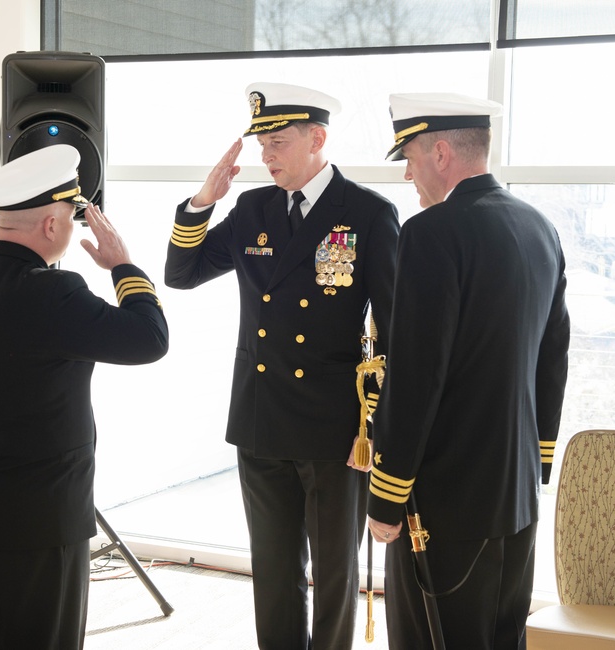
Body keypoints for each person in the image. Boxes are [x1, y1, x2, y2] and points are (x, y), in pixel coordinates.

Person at [165, 81, 400, 649]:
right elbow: (181, 273)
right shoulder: (252, 209)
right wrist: (203, 200)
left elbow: (394, 334)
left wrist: (377, 431)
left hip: (334, 427)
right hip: (263, 417)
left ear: (318, 138)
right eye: (262, 143)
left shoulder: (367, 213)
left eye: (279, 142)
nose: (266, 155)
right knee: (272, 572)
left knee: (335, 575)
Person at [0, 143, 169, 650]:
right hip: (36, 524)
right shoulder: (55, 294)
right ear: (52, 226)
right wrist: (123, 266)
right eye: (71, 219)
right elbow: (150, 339)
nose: (73, 231)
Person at [366, 93, 571, 649]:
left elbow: (415, 377)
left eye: (407, 156)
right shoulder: (539, 229)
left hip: (444, 500)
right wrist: (540, 456)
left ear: (439, 152)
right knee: (503, 638)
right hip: (516, 491)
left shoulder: (432, 233)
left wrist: (386, 495)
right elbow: (553, 359)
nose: (407, 174)